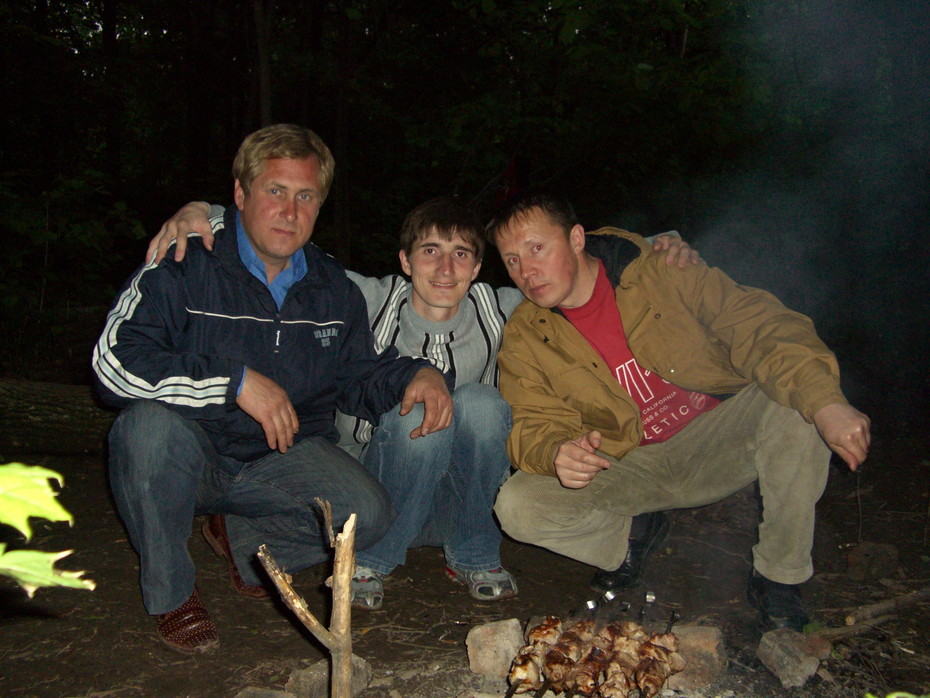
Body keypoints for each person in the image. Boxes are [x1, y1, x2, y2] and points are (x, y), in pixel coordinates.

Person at [150, 197, 701, 611]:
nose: (445, 269)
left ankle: (474, 554)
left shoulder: (502, 308)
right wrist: (209, 213)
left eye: (461, 254)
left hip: (459, 499)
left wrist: (660, 244)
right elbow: (287, 244)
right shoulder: (365, 298)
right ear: (405, 261)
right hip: (374, 485)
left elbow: (565, 268)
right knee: (419, 408)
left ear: (478, 267)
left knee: (481, 402)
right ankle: (367, 563)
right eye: (430, 252)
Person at [92, 124, 453, 654]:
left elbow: (358, 376)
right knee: (143, 431)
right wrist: (232, 382)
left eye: (305, 196)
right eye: (275, 190)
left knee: (368, 515)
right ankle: (173, 593)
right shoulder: (183, 262)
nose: (289, 211)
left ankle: (245, 546)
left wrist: (417, 374)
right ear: (240, 196)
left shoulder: (332, 287)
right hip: (190, 451)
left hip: (280, 457)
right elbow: (112, 363)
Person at [487, 190, 871, 632]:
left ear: (576, 238)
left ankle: (779, 578)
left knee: (796, 405)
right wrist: (557, 450)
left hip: (717, 438)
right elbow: (531, 421)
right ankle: (632, 541)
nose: (527, 271)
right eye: (512, 260)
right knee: (519, 505)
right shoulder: (526, 335)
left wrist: (825, 401)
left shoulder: (662, 269)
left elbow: (759, 327)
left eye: (537, 248)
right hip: (630, 463)